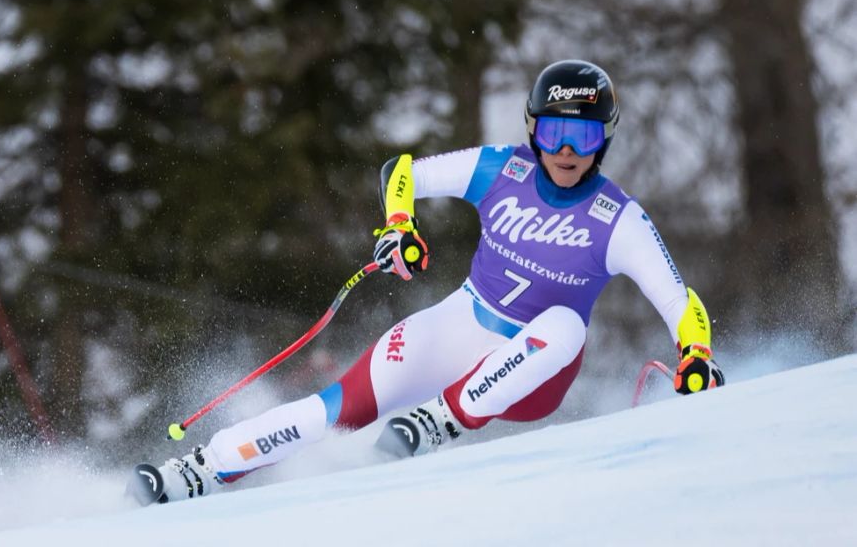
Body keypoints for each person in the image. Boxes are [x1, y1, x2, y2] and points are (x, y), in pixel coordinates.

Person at [145, 59, 725, 502]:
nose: (568, 152)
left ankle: (441, 419)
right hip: (461, 324)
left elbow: (679, 300)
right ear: (532, 132)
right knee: (336, 409)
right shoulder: (502, 169)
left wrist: (695, 354)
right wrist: (399, 226)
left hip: (533, 370)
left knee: (567, 324)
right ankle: (197, 469)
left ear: (607, 139)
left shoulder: (617, 217)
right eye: (553, 135)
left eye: (585, 138)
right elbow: (400, 173)